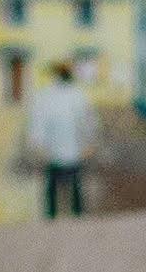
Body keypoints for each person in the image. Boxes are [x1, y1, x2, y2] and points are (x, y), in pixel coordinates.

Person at [23, 58, 94, 217]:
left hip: (53, 151)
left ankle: (53, 220)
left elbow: (37, 123)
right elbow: (87, 122)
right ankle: (76, 218)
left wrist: (37, 144)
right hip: (72, 150)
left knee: (53, 189)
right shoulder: (78, 95)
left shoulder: (44, 96)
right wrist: (88, 144)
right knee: (74, 187)